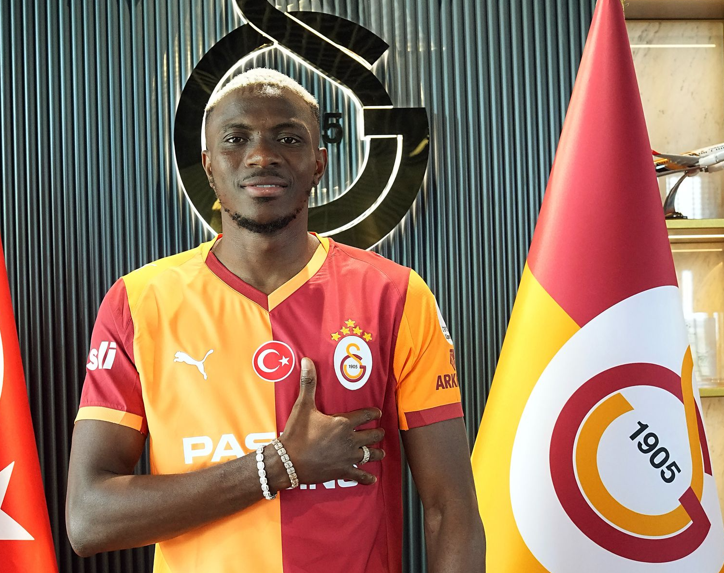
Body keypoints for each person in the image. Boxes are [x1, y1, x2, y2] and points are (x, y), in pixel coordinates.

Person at [66, 68, 485, 572]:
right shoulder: (139, 301)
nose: (262, 155)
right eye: (236, 139)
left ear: (319, 163)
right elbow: (88, 519)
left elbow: (450, 511)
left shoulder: (395, 295)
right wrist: (278, 465)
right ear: (208, 165)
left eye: (288, 138)